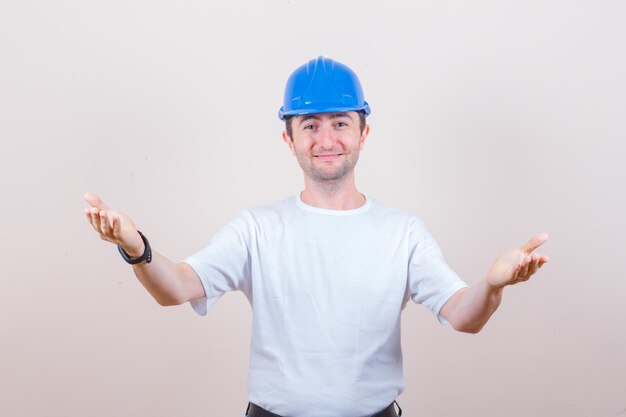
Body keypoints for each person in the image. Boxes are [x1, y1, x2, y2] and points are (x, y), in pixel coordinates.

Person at [84, 56, 549, 417]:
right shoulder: (257, 229)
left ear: (364, 133)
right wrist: (135, 247)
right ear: (289, 139)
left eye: (340, 123)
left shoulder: (403, 233)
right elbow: (178, 287)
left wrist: (491, 287)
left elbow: (464, 315)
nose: (326, 139)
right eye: (310, 125)